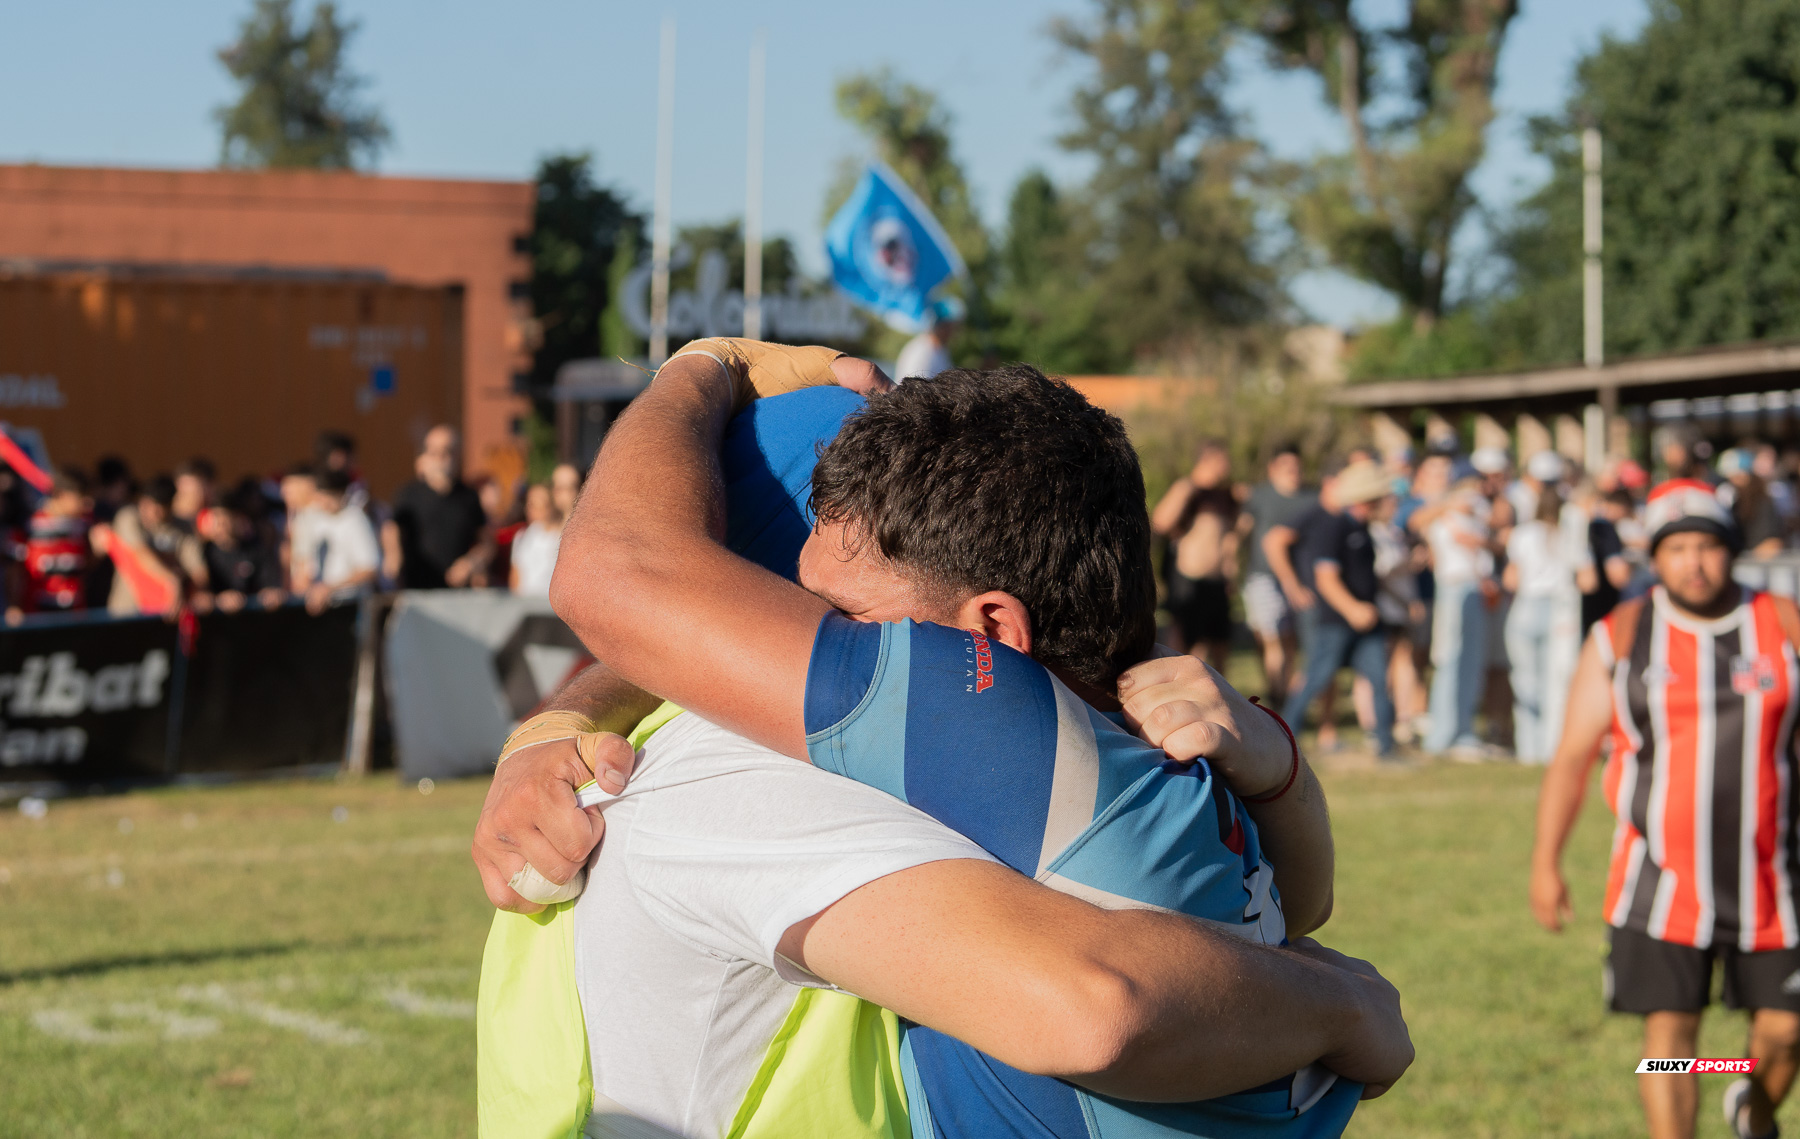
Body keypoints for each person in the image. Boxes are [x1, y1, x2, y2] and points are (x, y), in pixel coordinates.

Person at [476, 345, 1410, 1136]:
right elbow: (1300, 902)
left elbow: (1096, 1009)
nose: (821, 637)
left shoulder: (964, 721)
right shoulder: (1168, 755)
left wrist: (701, 366)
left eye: (835, 619)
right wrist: (1280, 774)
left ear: (991, 632)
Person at [1532, 479, 1800, 1139]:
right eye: (1676, 548)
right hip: (1659, 882)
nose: (1693, 562)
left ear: (1730, 549)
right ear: (1655, 557)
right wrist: (1546, 863)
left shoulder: (1782, 621)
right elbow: (1572, 756)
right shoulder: (1622, 634)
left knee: (1786, 1031)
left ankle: (1752, 1103)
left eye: (1706, 546)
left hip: (1774, 877)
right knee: (1670, 1041)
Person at [1279, 460, 1399, 758]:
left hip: (1368, 623)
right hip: (1337, 622)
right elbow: (1326, 578)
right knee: (1315, 679)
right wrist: (1353, 609)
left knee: (1380, 680)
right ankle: (1284, 740)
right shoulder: (1334, 526)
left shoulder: (1364, 529)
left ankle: (1386, 748)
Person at [1502, 489, 1593, 764]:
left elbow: (1511, 580)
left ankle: (1528, 749)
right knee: (1555, 683)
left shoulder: (1521, 535)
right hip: (1559, 612)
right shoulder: (1571, 536)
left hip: (1526, 608)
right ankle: (1550, 746)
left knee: (1525, 680)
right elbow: (1588, 581)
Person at [1423, 479, 1495, 756]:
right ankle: (1442, 734)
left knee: (1470, 663)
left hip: (1475, 589)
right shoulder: (1444, 522)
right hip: (1454, 589)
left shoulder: (1476, 522)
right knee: (1450, 659)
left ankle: (1464, 729)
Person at [1151, 440, 1240, 665]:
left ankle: (1216, 686)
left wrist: (1230, 573)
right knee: (1185, 643)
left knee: (1219, 644)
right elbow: (1160, 523)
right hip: (1188, 579)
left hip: (1217, 581)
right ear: (1208, 460)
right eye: (1224, 460)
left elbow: (1230, 538)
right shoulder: (1188, 488)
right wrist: (1184, 492)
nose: (1228, 466)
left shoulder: (1225, 495)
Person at [1239, 444, 1316, 704]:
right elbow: (1242, 529)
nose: (1293, 471)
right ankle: (1277, 692)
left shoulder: (1311, 498)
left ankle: (1284, 695)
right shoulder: (1259, 496)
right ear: (1273, 469)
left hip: (1300, 578)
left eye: (1297, 466)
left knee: (1289, 639)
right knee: (1270, 638)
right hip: (1263, 577)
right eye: (1286, 466)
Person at [385, 425, 489, 589]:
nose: (441, 457)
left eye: (447, 451)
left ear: (457, 454)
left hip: (458, 591)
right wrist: (393, 556)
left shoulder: (469, 497)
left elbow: (486, 541)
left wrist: (471, 562)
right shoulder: (409, 494)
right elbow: (392, 529)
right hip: (417, 589)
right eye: (434, 452)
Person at [102, 475, 206, 616]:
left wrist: (200, 592)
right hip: (127, 610)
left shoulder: (183, 528)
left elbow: (197, 568)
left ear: (170, 506)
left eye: (157, 508)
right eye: (146, 504)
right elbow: (141, 553)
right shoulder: (128, 517)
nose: (149, 511)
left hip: (168, 611)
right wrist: (171, 580)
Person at [5, 467, 92, 623]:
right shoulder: (30, 525)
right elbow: (15, 571)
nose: (87, 504)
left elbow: (86, 566)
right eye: (81, 497)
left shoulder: (84, 526)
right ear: (63, 495)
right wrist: (14, 606)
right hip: (38, 618)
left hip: (75, 617)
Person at [290, 467, 379, 614]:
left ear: (341, 495)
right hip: (318, 605)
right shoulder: (312, 518)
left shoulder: (355, 520)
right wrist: (308, 589)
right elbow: (303, 564)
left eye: (329, 497)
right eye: (320, 497)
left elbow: (369, 569)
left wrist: (329, 588)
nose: (324, 503)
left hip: (350, 605)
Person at [195, 492, 286, 613]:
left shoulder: (257, 549)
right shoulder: (205, 552)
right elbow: (199, 594)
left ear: (237, 519)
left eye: (225, 519)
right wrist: (217, 600)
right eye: (216, 520)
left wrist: (269, 595)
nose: (220, 526)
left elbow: (270, 587)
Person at [1579, 483, 1634, 636]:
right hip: (1603, 608)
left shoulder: (1584, 528)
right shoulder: (1605, 528)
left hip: (1582, 609)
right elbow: (1619, 575)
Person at [1719, 448, 1786, 559]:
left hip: (1758, 566)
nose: (1733, 482)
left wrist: (1745, 561)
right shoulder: (1735, 502)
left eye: (1738, 477)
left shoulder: (1762, 502)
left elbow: (1773, 544)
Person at [509, 483, 562, 599]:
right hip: (525, 604)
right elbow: (515, 576)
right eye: (529, 504)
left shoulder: (560, 537)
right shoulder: (522, 536)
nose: (530, 509)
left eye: (537, 504)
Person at [892, 296, 963, 381]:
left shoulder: (940, 350)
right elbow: (916, 388)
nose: (957, 331)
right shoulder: (922, 354)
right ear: (943, 325)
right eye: (955, 326)